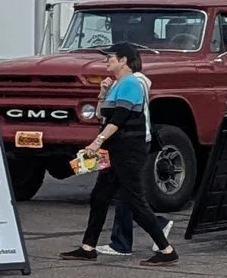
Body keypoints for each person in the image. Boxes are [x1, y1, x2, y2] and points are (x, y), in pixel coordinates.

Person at [63, 43, 178, 265]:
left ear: (124, 60)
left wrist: (96, 143)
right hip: (115, 149)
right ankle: (88, 247)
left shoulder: (132, 83)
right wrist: (102, 94)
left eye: (111, 57)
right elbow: (102, 116)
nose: (107, 61)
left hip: (129, 149)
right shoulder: (116, 85)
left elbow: (119, 119)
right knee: (100, 196)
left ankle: (166, 249)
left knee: (135, 200)